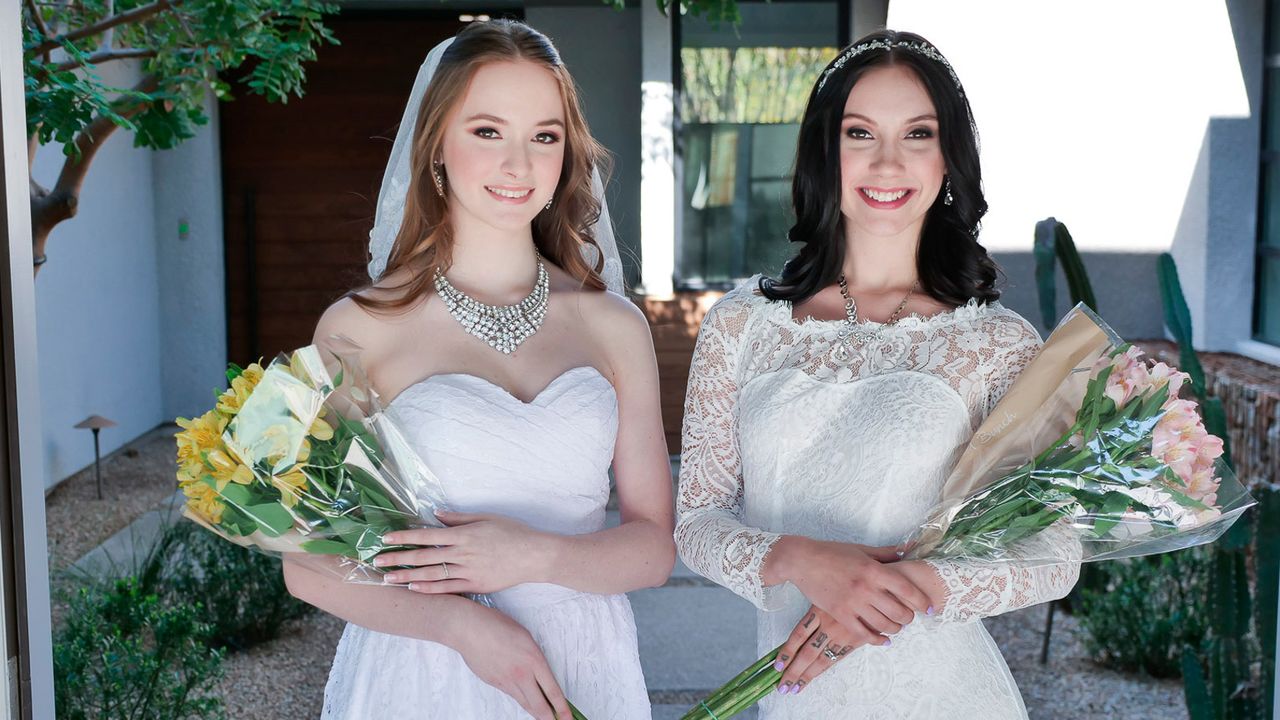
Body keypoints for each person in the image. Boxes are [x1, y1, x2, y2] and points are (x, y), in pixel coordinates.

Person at [675, 29, 1081, 719]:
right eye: (860, 133)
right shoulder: (739, 326)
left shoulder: (997, 343)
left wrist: (898, 590)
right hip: (795, 701)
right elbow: (696, 523)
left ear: (949, 157)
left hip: (948, 696)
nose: (888, 162)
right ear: (824, 152)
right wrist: (801, 560)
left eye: (918, 134)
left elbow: (1054, 551)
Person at [282, 20, 674, 720]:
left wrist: (536, 558)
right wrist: (463, 627)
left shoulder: (616, 325)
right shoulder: (354, 326)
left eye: (544, 137)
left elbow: (653, 548)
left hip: (584, 663)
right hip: (427, 668)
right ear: (437, 144)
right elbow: (305, 561)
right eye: (488, 131)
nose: (518, 165)